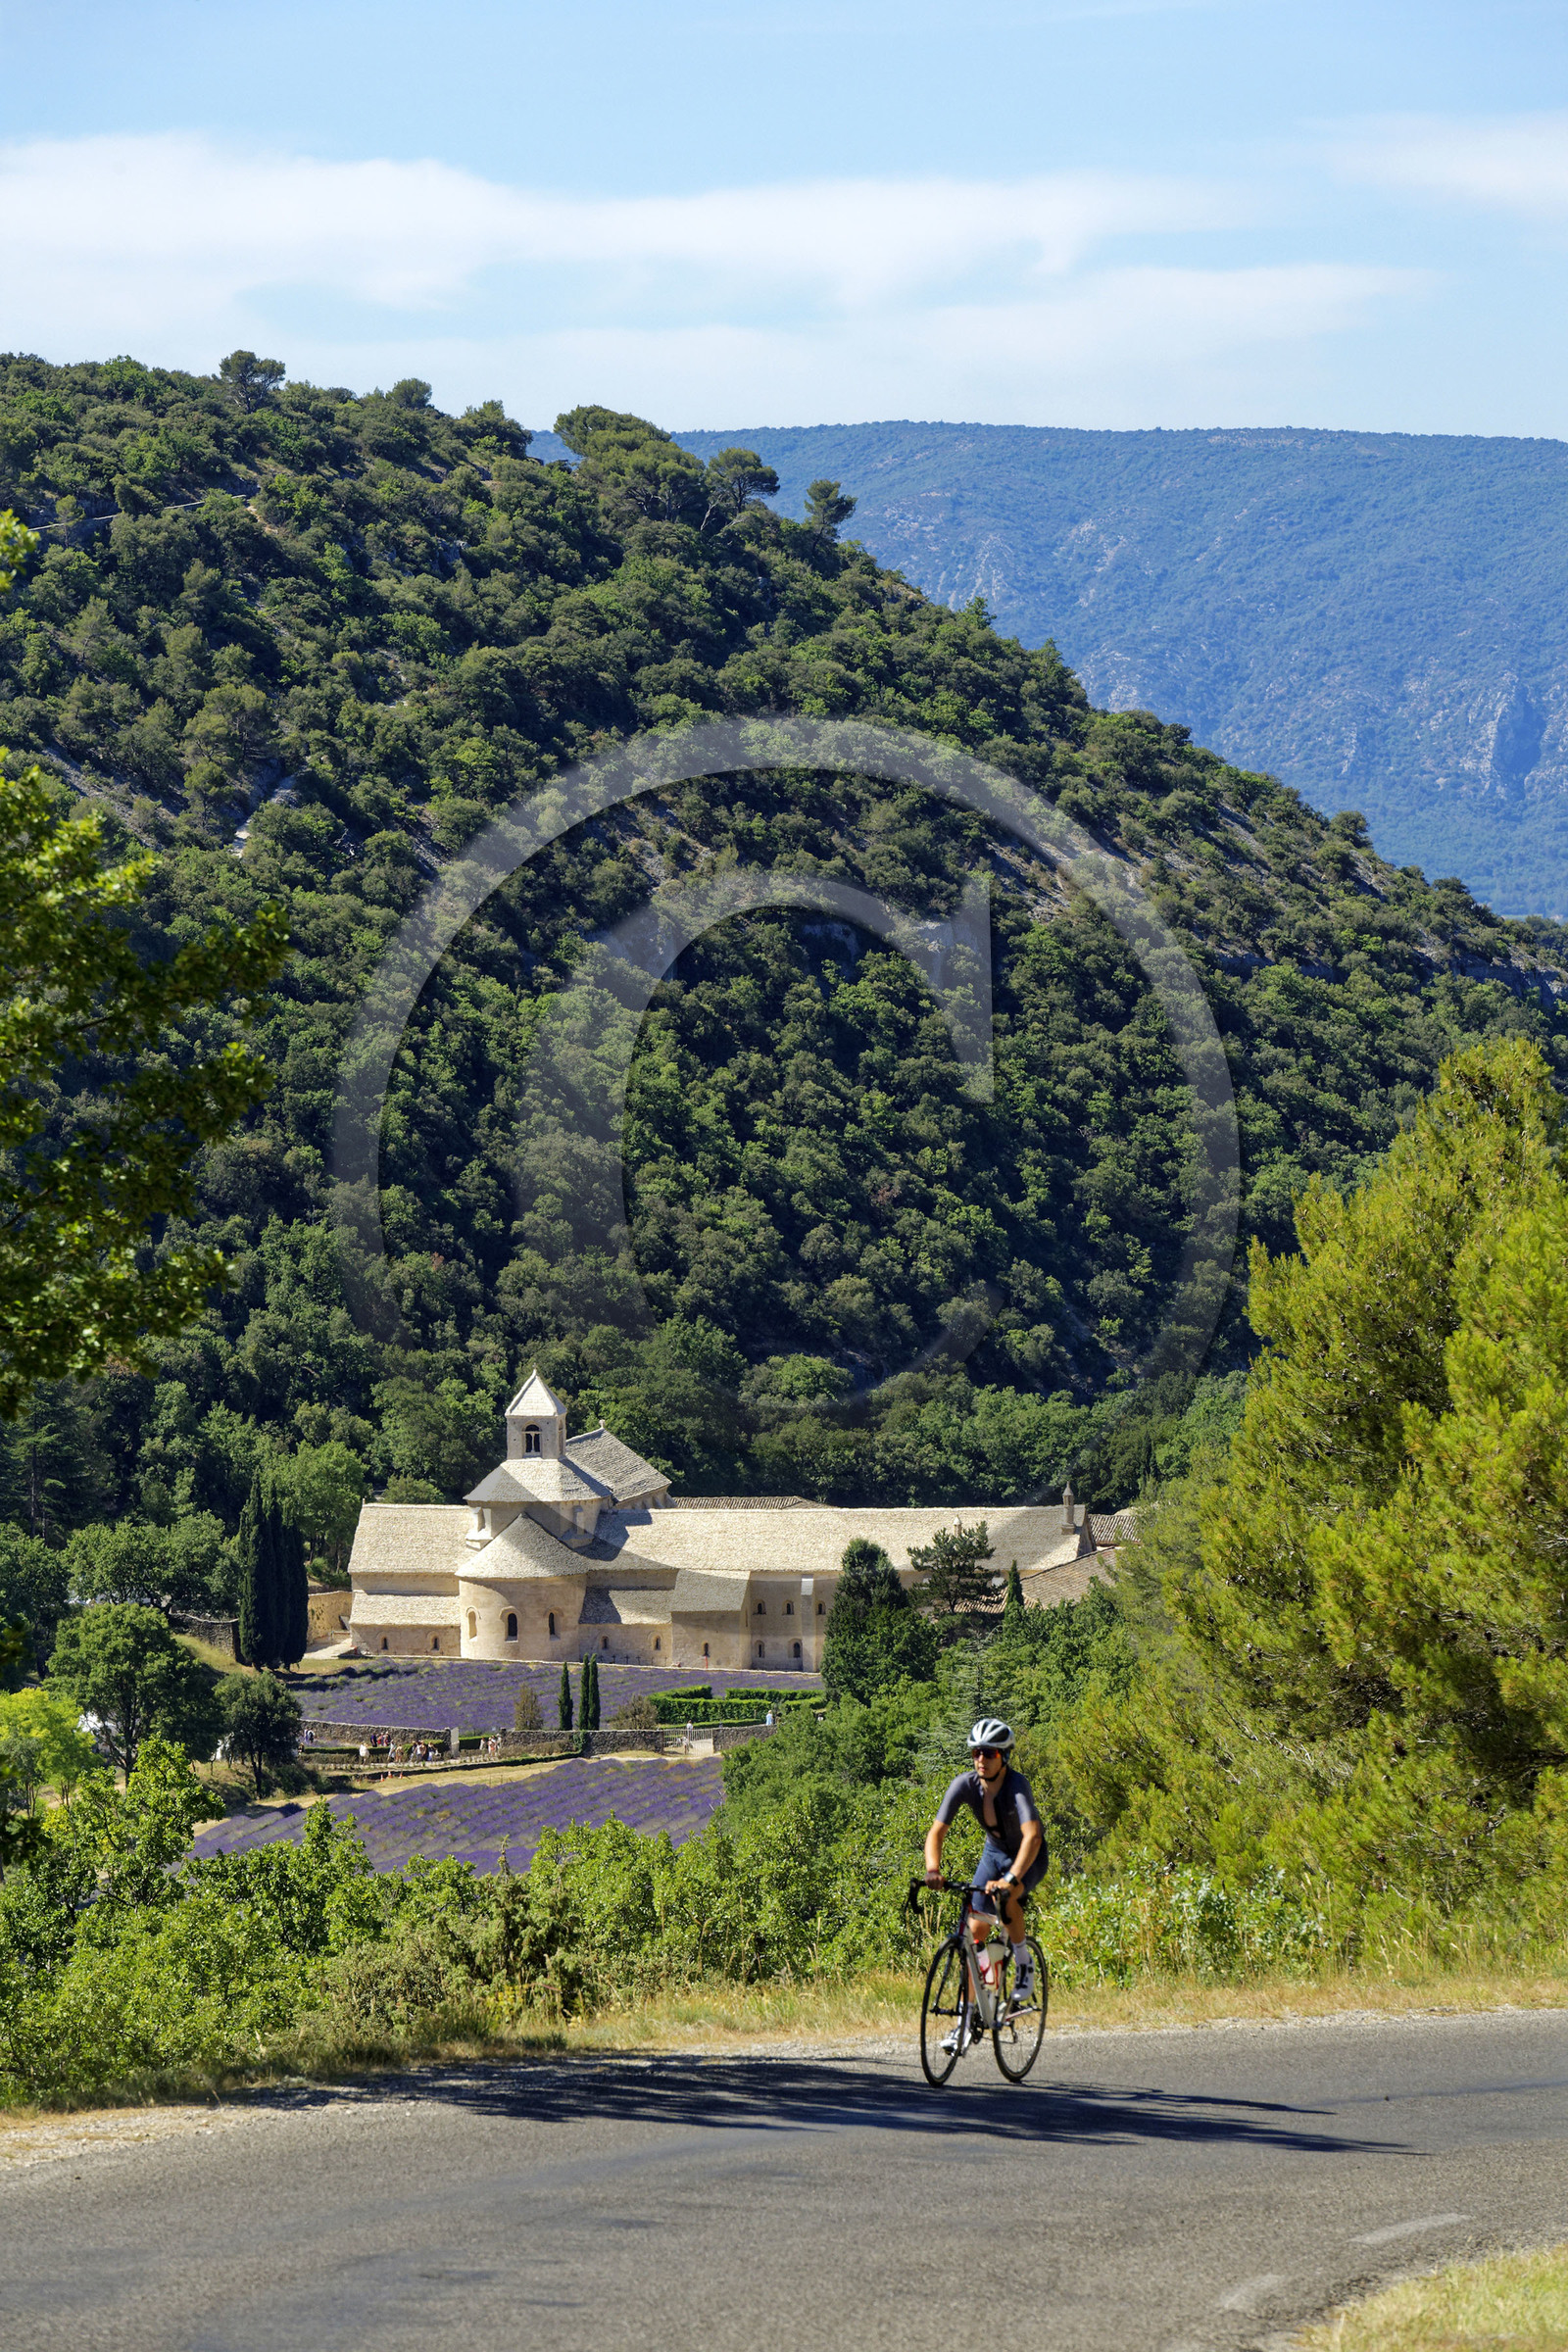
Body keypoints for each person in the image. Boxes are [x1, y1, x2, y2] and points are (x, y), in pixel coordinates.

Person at [923, 1717, 1045, 2049]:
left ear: (1003, 1757)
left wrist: (1010, 1878)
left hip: (1026, 1855)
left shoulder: (1016, 1786)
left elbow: (1032, 1836)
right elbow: (936, 1832)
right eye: (976, 1752)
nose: (981, 1759)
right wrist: (933, 1868)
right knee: (974, 1933)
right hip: (993, 1853)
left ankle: (1023, 1963)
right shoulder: (964, 1785)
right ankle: (967, 2018)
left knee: (1008, 1900)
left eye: (989, 1753)